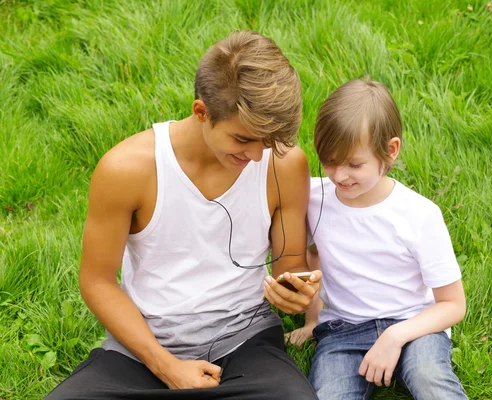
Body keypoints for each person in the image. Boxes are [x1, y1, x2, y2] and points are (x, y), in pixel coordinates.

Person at [46, 30, 321, 400]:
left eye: (269, 140)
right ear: (201, 112)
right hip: (142, 347)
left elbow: (288, 268)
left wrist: (294, 292)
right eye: (243, 139)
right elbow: (97, 281)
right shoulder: (126, 170)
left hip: (246, 341)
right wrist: (165, 365)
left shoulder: (286, 164)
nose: (258, 156)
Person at [287, 79, 468, 399]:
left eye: (354, 164)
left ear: (391, 150)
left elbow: (453, 304)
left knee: (430, 379)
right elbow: (314, 257)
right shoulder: (314, 198)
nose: (339, 175)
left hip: (414, 327)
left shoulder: (419, 215)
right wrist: (311, 319)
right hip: (341, 334)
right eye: (328, 161)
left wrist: (395, 336)